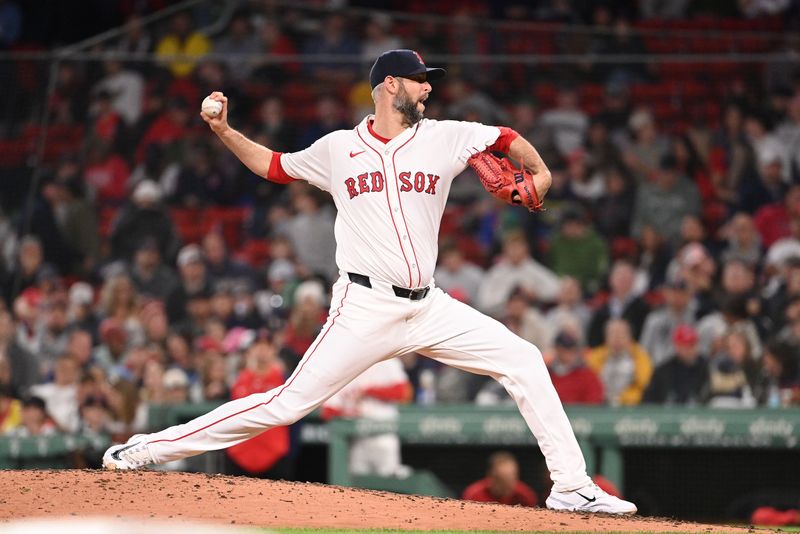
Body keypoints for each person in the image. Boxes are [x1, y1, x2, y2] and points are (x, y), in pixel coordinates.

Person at [102, 49, 636, 514]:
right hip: (363, 307)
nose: (429, 87)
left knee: (523, 359)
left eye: (431, 80)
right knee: (286, 404)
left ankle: (571, 486)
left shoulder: (446, 136)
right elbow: (274, 166)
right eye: (421, 79)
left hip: (429, 306)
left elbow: (507, 138)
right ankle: (147, 448)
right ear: (390, 86)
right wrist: (223, 131)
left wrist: (538, 172)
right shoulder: (338, 148)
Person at [462, 451, 538, 507]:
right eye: (504, 478)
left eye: (513, 476)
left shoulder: (524, 496)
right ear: (492, 476)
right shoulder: (474, 494)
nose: (510, 483)